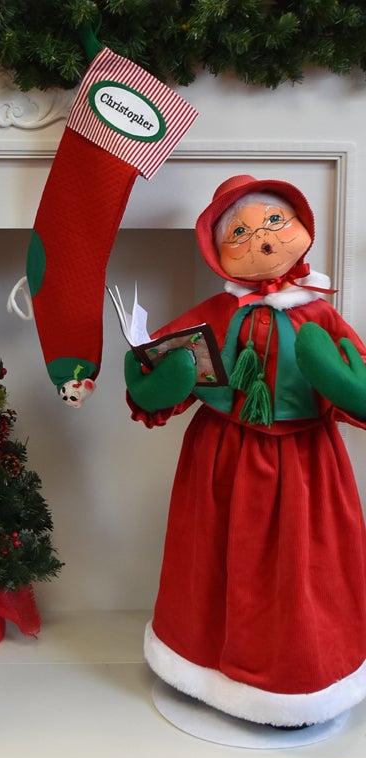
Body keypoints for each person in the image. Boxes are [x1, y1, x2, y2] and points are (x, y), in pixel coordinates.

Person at [125, 174, 366, 728]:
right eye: (241, 232)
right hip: (221, 458)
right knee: (209, 558)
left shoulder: (320, 315)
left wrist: (345, 385)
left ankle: (299, 682)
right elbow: (159, 367)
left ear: (301, 227)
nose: (263, 237)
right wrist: (152, 382)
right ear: (218, 252)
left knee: (302, 570)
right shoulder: (216, 312)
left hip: (306, 465)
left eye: (275, 221)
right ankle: (198, 665)